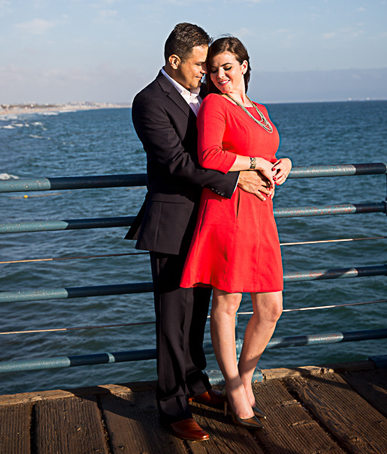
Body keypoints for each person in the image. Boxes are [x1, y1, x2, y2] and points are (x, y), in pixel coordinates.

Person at [125, 23, 272, 442]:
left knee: (198, 314)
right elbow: (175, 163)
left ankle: (195, 384)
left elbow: (227, 142)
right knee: (173, 319)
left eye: (210, 65)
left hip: (211, 222)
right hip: (172, 223)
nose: (206, 73)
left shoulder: (209, 96)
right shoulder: (148, 101)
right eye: (199, 65)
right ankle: (172, 408)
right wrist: (235, 179)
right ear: (174, 61)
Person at [180, 36, 291, 431]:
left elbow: (267, 151)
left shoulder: (258, 109)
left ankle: (244, 378)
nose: (220, 75)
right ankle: (234, 387)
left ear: (245, 65)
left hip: (262, 213)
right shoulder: (214, 104)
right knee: (227, 303)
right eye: (213, 69)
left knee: (271, 307)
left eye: (228, 66)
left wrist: (284, 164)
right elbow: (209, 155)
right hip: (230, 210)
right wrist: (253, 162)